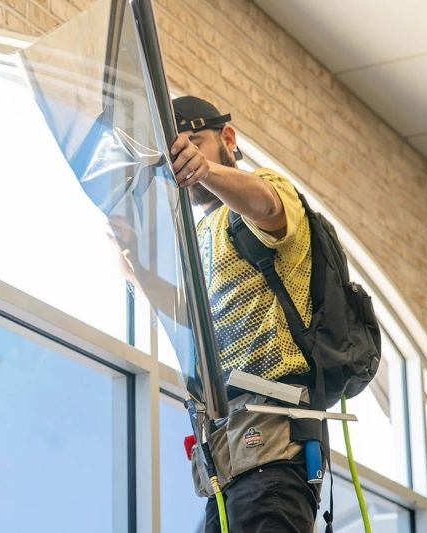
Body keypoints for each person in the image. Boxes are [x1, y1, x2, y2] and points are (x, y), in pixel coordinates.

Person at [169, 95, 320, 532]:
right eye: (173, 154)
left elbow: (268, 206)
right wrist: (134, 264)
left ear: (228, 138)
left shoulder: (265, 185)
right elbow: (188, 318)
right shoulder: (198, 233)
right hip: (226, 455)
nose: (182, 159)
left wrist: (207, 170)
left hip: (272, 446)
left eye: (193, 142)